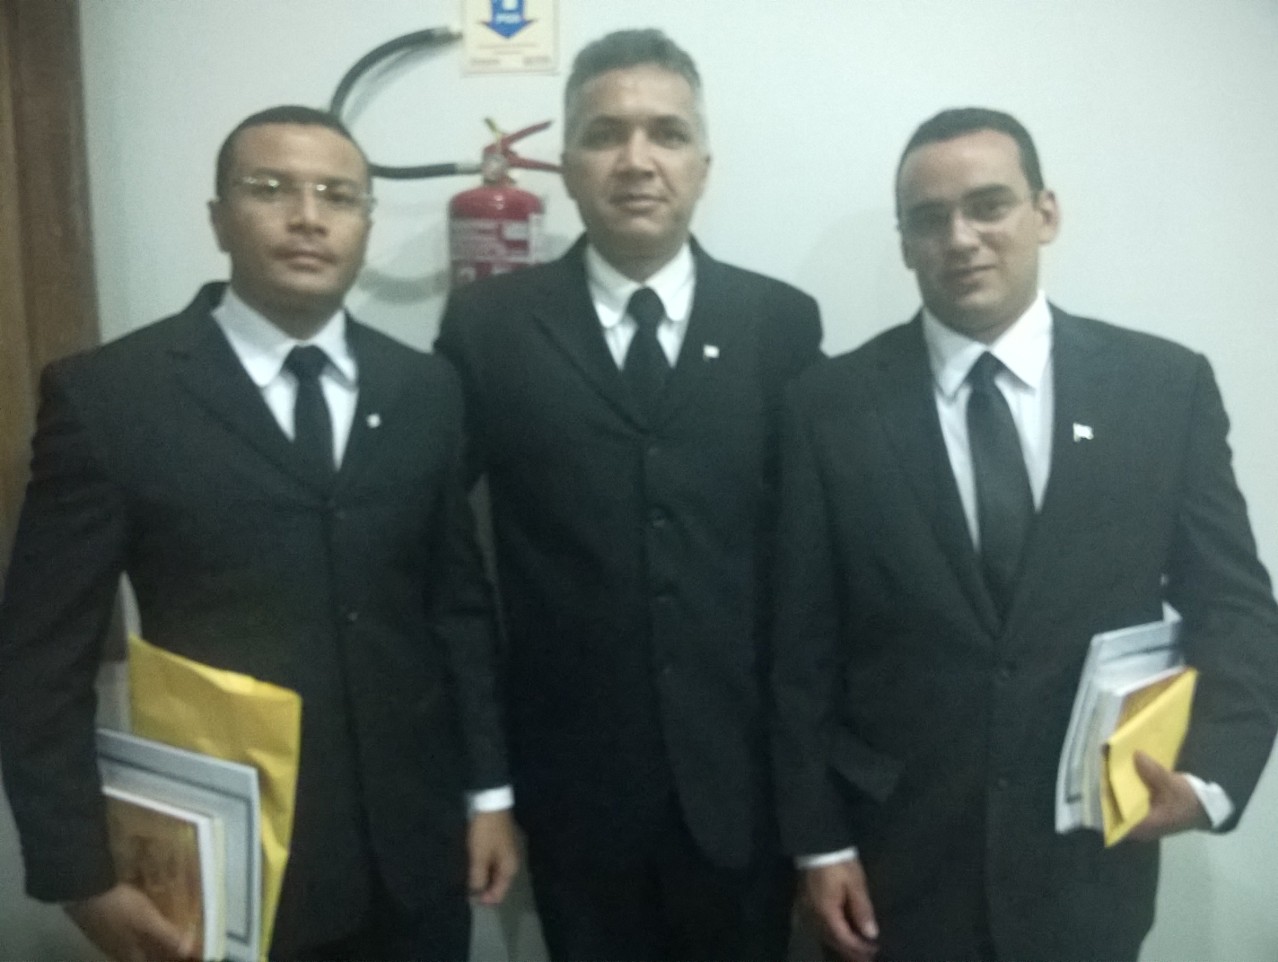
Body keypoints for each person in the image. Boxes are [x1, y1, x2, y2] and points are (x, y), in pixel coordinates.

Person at [0, 105, 517, 962]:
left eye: (338, 196)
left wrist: (488, 793)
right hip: (229, 860)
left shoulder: (425, 390)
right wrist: (78, 873)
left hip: (416, 856)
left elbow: (456, 609)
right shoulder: (112, 398)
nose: (308, 216)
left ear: (364, 223)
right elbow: (40, 659)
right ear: (218, 219)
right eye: (271, 189)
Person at [771, 106, 1278, 962]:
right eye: (930, 219)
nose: (961, 238)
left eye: (989, 206)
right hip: (893, 866)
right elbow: (799, 650)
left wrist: (1211, 776)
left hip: (1090, 859)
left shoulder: (1162, 389)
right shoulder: (829, 410)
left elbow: (1233, 605)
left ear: (1045, 212)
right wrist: (818, 844)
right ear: (906, 244)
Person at [435, 28, 822, 962]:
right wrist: (487, 784)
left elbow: (815, 573)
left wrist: (820, 804)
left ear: (703, 166)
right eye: (606, 134)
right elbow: (442, 563)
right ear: (568, 165)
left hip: (747, 795)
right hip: (571, 797)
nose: (637, 160)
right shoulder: (490, 327)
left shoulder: (779, 324)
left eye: (667, 134)